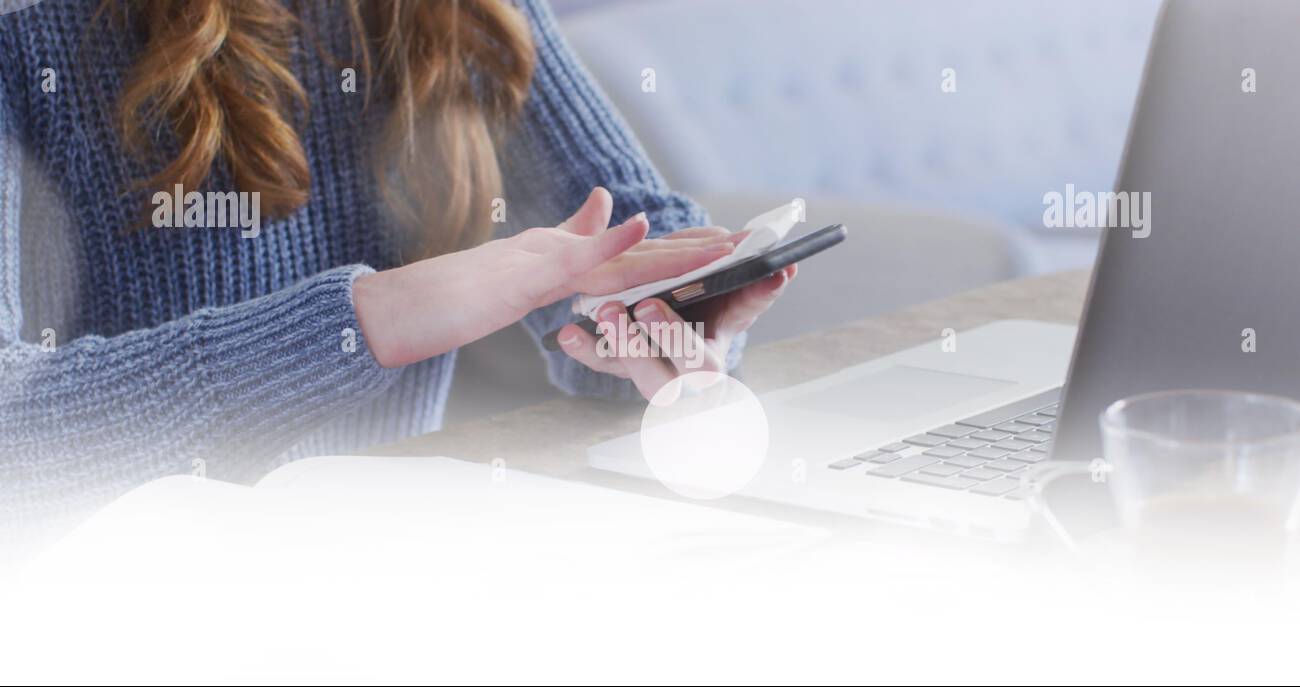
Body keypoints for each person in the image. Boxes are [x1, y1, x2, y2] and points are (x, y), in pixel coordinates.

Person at [0, 0, 796, 519]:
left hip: (394, 583)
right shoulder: (27, 29)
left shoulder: (466, 14)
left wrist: (653, 326)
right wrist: (371, 319)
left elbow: (617, 233)